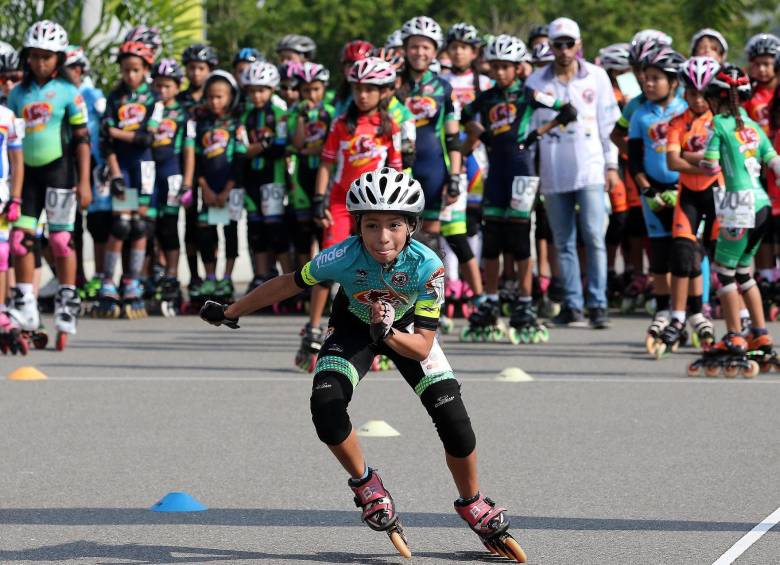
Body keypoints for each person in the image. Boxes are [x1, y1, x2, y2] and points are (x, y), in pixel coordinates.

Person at [199, 167, 527, 563]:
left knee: (455, 424)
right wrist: (232, 311)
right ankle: (367, 485)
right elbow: (289, 283)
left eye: (393, 225)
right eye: (371, 225)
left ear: (411, 227)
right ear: (358, 227)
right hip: (354, 327)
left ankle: (473, 503)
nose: (382, 237)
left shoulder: (429, 266)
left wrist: (385, 333)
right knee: (326, 408)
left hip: (403, 334)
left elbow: (422, 348)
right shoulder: (341, 255)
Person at [460, 34, 575, 344]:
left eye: (506, 67)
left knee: (521, 240)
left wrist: (536, 135)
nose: (500, 73)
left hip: (523, 172)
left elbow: (567, 111)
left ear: (517, 68)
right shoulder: (485, 98)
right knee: (494, 239)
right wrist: (483, 138)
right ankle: (492, 299)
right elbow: (464, 116)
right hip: (495, 172)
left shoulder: (528, 94)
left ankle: (525, 300)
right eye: (495, 67)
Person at [299, 56, 402, 372]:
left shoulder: (388, 126)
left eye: (371, 89)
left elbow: (396, 169)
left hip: (375, 207)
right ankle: (314, 330)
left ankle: (377, 332)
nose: (363, 95)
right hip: (341, 204)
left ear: (383, 91)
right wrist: (319, 199)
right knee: (326, 265)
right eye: (358, 88)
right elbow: (328, 164)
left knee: (377, 268)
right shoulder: (342, 124)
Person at [525, 17, 620, 328]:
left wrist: (612, 166)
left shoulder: (597, 77)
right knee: (562, 240)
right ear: (550, 47)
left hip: (591, 167)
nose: (564, 50)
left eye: (569, 44)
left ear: (579, 45)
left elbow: (609, 128)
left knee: (594, 236)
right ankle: (573, 304)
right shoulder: (536, 82)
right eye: (558, 44)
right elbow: (530, 130)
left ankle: (598, 303)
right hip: (553, 170)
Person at [689, 65, 780, 377]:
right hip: (763, 204)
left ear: (714, 98)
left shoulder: (718, 124)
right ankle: (761, 334)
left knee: (724, 273)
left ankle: (734, 337)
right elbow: (774, 163)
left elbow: (711, 166)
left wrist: (694, 160)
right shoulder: (754, 127)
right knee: (744, 272)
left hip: (737, 203)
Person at [7, 20, 91, 350]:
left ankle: (67, 299)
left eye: (48, 56)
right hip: (26, 176)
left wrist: (84, 181)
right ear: (27, 57)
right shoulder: (17, 94)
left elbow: (82, 140)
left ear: (59, 58)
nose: (41, 62)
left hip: (60, 171)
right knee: (19, 241)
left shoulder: (70, 93)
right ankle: (25, 301)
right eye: (35, 56)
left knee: (59, 239)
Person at [656, 56, 722, 356]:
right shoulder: (677, 122)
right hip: (689, 197)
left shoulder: (721, 121)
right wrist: (705, 163)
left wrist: (690, 158)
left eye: (703, 92)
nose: (697, 99)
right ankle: (679, 317)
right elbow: (672, 161)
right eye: (692, 92)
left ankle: (738, 321)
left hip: (718, 197)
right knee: (682, 257)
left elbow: (720, 159)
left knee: (719, 261)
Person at [627, 46, 687, 354]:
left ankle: (692, 311)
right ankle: (663, 309)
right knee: (660, 254)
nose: (648, 84)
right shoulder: (640, 114)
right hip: (652, 190)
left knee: (687, 254)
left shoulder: (685, 110)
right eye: (646, 78)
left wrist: (684, 188)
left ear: (673, 81)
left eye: (656, 78)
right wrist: (646, 189)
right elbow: (634, 160)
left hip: (684, 190)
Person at [96, 39, 159, 320]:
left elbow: (147, 137)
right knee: (121, 224)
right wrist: (115, 171)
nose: (130, 75)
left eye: (136, 70)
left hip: (143, 165)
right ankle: (109, 280)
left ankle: (132, 280)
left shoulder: (154, 98)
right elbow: (104, 139)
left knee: (140, 225)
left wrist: (118, 133)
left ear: (146, 68)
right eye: (126, 70)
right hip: (122, 165)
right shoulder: (115, 96)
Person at [189, 70, 246, 304]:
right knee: (206, 234)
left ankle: (226, 277)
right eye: (211, 96)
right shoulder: (201, 124)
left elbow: (240, 159)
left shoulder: (236, 124)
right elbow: (197, 158)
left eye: (220, 97)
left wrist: (226, 190)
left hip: (229, 189)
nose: (215, 101)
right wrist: (204, 186)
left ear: (230, 96)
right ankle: (210, 276)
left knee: (229, 233)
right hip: (207, 189)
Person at [148, 58, 195, 315]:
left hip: (172, 173)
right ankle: (150, 273)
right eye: (157, 85)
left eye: (167, 86)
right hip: (147, 172)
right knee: (147, 226)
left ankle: (172, 276)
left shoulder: (184, 114)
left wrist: (187, 182)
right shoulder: (148, 109)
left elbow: (188, 150)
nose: (161, 91)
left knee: (168, 227)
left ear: (177, 87)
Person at [240, 61, 289, 296]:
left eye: (262, 90)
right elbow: (240, 149)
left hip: (274, 177)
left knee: (276, 231)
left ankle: (289, 281)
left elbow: (280, 146)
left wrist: (256, 147)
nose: (257, 95)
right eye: (252, 90)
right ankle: (261, 278)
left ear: (271, 89)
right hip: (251, 178)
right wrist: (262, 146)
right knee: (256, 230)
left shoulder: (279, 113)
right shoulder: (246, 114)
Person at [178, 44, 219, 298]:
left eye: (201, 68)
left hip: (211, 170)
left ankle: (212, 277)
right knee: (190, 226)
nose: (195, 73)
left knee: (211, 227)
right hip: (184, 169)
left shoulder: (216, 96)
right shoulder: (180, 99)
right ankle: (193, 277)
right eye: (191, 68)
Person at [0, 75, 24, 353]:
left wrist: (16, 196)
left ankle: (3, 310)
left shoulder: (8, 116)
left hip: (2, 195)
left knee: (3, 255)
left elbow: (17, 160)